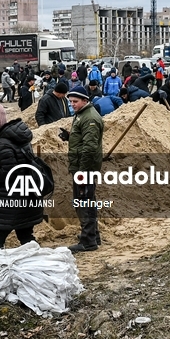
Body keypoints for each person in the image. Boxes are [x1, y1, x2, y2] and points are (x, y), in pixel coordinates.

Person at [0, 103, 43, 250]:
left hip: (10, 198)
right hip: (28, 194)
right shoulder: (20, 138)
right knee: (26, 236)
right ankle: (39, 261)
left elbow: (10, 171)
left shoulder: (3, 143)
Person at [65, 87, 103, 253]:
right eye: (70, 101)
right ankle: (93, 235)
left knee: (83, 203)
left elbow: (89, 148)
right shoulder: (82, 114)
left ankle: (88, 241)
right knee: (87, 201)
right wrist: (69, 137)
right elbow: (83, 140)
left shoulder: (90, 118)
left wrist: (82, 172)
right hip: (83, 167)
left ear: (85, 101)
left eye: (75, 101)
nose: (72, 104)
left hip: (85, 168)